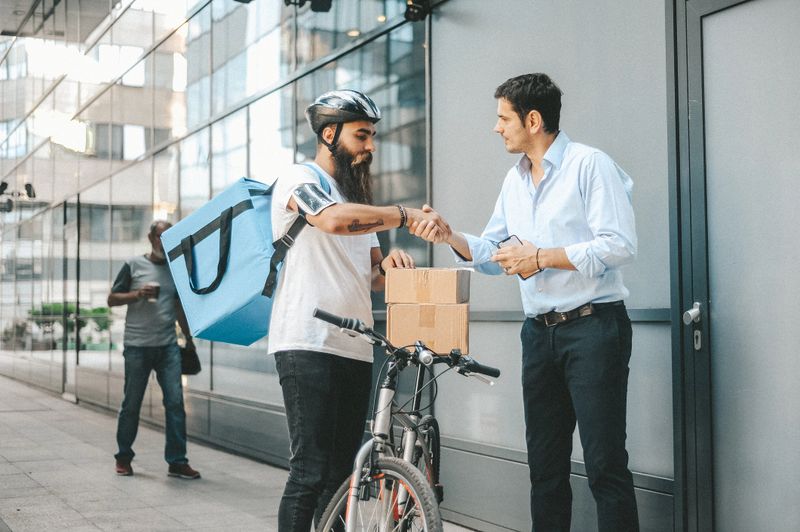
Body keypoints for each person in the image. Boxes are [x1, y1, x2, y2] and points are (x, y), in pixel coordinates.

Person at [416, 73, 639, 531]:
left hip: (594, 329)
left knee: (605, 465)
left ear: (533, 120)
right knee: (545, 469)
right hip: (539, 334)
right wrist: (451, 236)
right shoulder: (514, 181)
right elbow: (497, 254)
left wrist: (540, 257)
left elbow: (619, 245)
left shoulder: (589, 165)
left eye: (503, 118)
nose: (497, 128)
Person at [268, 89, 449, 532]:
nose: (371, 146)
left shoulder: (353, 199)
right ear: (329, 134)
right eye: (362, 135)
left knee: (340, 476)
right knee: (309, 471)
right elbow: (330, 219)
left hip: (355, 347)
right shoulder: (299, 179)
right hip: (306, 341)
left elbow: (371, 275)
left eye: (372, 137)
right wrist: (403, 215)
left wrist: (389, 266)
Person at [109, 220, 200, 480]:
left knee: (175, 403)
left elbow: (179, 307)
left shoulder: (175, 270)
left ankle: (177, 462)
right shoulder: (133, 265)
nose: (164, 241)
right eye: (161, 236)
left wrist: (189, 340)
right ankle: (123, 457)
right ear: (151, 238)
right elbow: (112, 299)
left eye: (169, 236)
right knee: (131, 404)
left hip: (168, 347)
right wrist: (137, 294)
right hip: (137, 346)